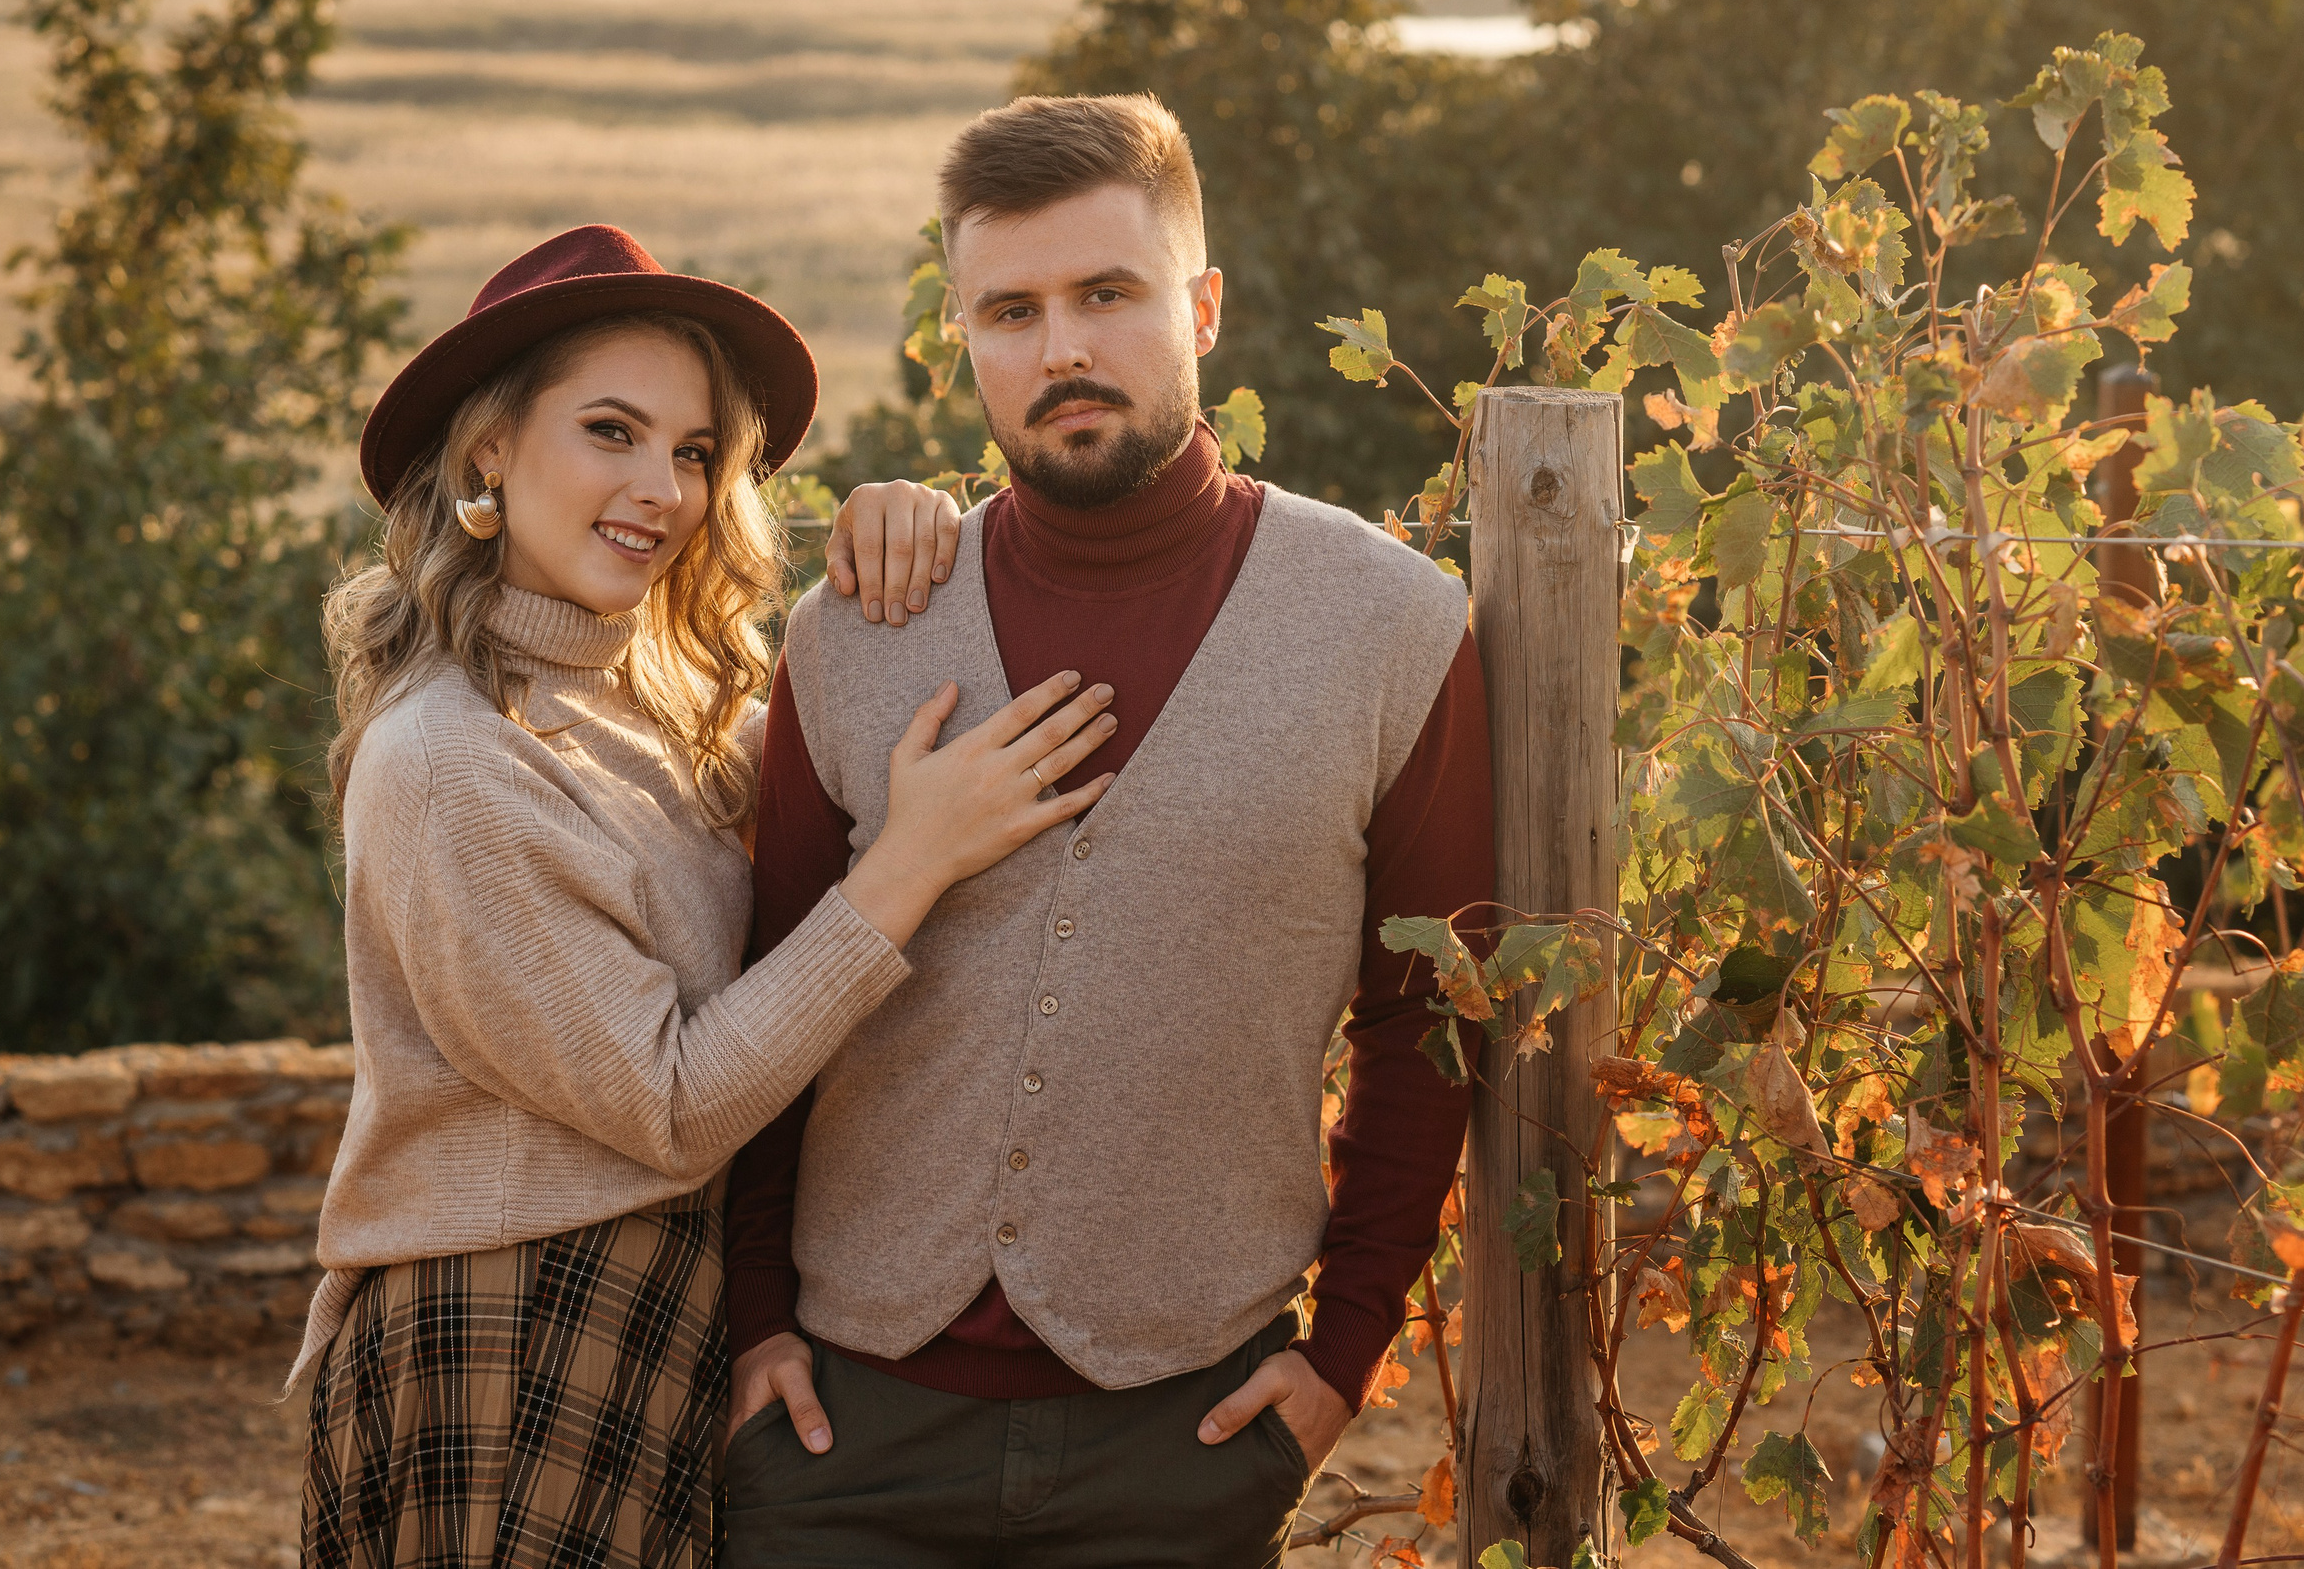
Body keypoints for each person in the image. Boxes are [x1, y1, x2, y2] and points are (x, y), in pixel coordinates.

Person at [721, 94, 1495, 1567]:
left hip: (1187, 1434)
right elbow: (768, 994)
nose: (1061, 346)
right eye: (1010, 311)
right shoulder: (858, 628)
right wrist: (755, 1321)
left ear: (1201, 306)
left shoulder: (1394, 626)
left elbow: (1429, 1021)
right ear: (965, 344)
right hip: (843, 1433)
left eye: (1107, 294)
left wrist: (1340, 1363)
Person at [296, 225, 1118, 1569]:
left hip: (667, 1313)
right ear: (488, 449)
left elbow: (829, 788)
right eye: (610, 432)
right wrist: (910, 868)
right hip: (503, 1329)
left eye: (691, 453)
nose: (660, 490)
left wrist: (901, 524)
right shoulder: (450, 761)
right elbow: (671, 1108)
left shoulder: (662, 706)